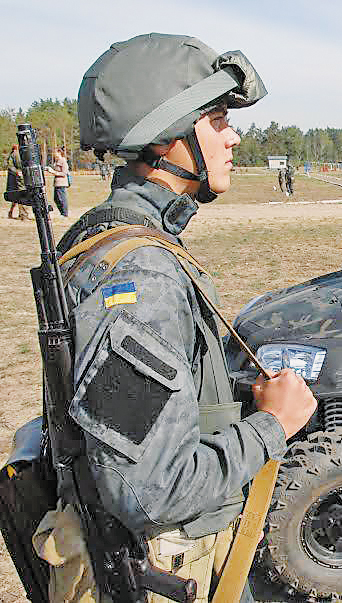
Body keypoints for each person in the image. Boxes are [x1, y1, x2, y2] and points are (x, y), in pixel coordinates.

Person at [35, 33, 317, 603]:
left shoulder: (114, 238)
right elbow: (150, 490)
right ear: (166, 138)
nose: (233, 135)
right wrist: (273, 425)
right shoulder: (141, 277)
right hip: (155, 567)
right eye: (217, 119)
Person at [6, 144, 30, 220]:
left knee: (17, 197)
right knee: (22, 195)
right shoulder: (15, 154)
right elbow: (10, 166)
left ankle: (14, 213)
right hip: (18, 179)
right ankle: (23, 215)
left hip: (21, 178)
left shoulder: (19, 154)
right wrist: (17, 172)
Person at [44, 148, 70, 216]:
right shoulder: (57, 161)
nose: (54, 154)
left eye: (55, 153)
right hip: (57, 183)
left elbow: (64, 173)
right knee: (56, 199)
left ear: (59, 153)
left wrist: (53, 172)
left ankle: (64, 213)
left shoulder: (63, 161)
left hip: (61, 183)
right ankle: (62, 213)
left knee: (62, 198)